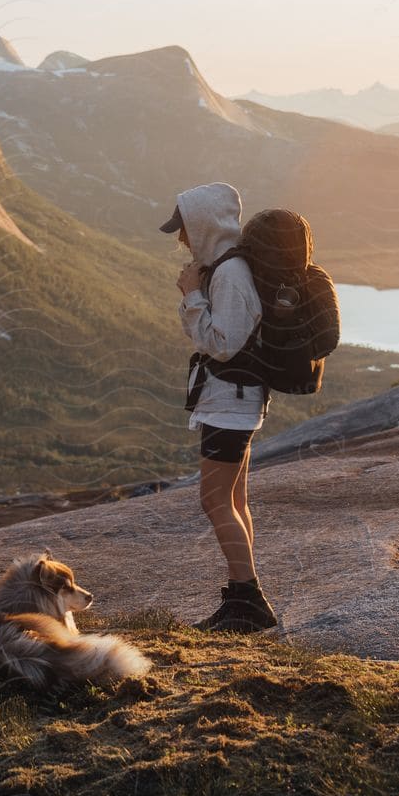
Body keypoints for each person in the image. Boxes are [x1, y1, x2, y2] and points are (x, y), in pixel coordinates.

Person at [161, 182, 279, 632]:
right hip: (235, 399)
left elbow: (223, 344)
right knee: (233, 500)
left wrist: (191, 296)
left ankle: (248, 599)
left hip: (229, 402)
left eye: (185, 229)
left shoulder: (230, 274)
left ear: (204, 226)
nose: (182, 239)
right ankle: (242, 595)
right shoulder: (228, 269)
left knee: (214, 501)